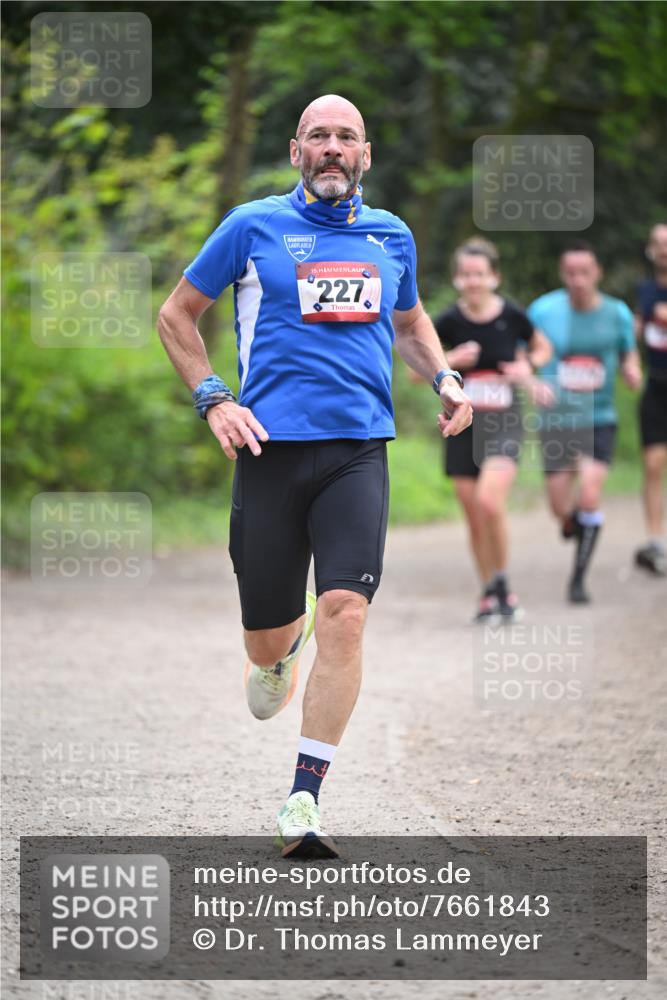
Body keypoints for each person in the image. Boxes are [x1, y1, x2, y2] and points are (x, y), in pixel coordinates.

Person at [157, 94, 472, 859]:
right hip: (267, 451)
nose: (333, 149)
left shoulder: (390, 234)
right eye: (319, 137)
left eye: (347, 138)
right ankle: (277, 653)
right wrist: (213, 400)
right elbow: (177, 315)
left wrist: (444, 379)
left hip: (358, 450)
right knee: (269, 643)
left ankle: (304, 797)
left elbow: (408, 323)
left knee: (346, 610)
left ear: (364, 155)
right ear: (297, 151)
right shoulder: (251, 226)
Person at [432, 238, 552, 623]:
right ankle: (489, 592)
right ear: (456, 279)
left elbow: (543, 348)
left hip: (504, 424)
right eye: (465, 275)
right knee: (473, 514)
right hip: (461, 426)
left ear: (494, 277)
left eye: (480, 274)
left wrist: (528, 366)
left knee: (489, 502)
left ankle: (502, 583)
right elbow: (419, 373)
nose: (473, 281)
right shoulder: (448, 322)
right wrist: (449, 359)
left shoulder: (512, 315)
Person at [528, 242, 642, 604]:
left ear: (597, 273)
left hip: (599, 416)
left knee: (590, 495)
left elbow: (628, 350)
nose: (578, 280)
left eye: (585, 272)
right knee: (560, 507)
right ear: (563, 274)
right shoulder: (543, 310)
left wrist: (631, 367)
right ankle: (572, 521)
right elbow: (518, 349)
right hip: (557, 418)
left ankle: (578, 580)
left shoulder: (616, 313)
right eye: (571, 273)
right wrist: (532, 380)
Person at [634, 223, 667, 576]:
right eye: (657, 244)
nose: (663, 249)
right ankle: (656, 542)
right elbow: (640, 329)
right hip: (657, 385)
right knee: (654, 464)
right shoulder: (644, 289)